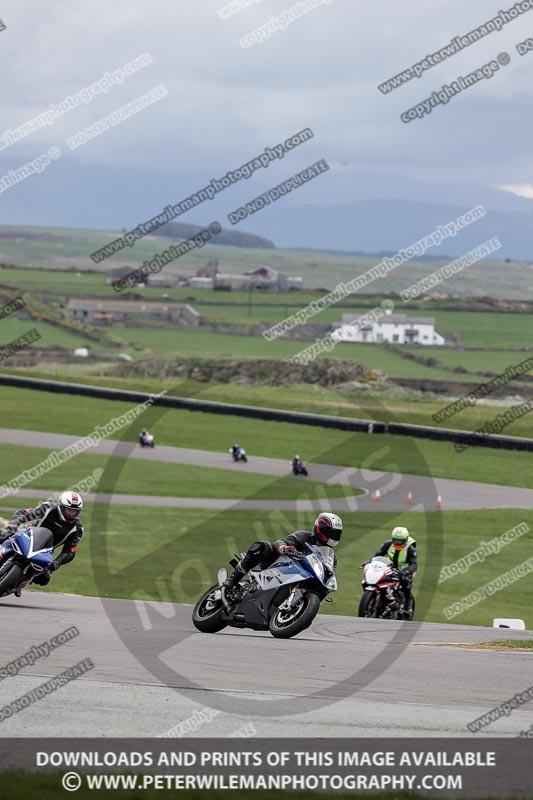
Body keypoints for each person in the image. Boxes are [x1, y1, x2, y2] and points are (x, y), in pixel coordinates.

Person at [224, 512, 343, 592]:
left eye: (335, 533)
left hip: (302, 578)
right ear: (320, 528)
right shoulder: (304, 536)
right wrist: (283, 547)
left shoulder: (332, 558)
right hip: (278, 566)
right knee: (264, 546)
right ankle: (233, 578)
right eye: (330, 532)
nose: (332, 536)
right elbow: (280, 542)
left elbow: (328, 574)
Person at [0, 491, 84, 595]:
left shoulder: (77, 528)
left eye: (74, 511)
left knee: (44, 578)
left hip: (45, 550)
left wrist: (57, 563)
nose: (71, 513)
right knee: (3, 535)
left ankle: (21, 582)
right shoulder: (47, 508)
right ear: (61, 506)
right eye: (69, 510)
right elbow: (23, 513)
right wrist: (13, 525)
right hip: (28, 535)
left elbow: (70, 552)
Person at [365, 526, 417, 617]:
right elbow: (378, 554)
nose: (398, 542)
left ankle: (409, 608)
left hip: (404, 572)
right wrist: (369, 561)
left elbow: (414, 564)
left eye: (400, 540)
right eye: (396, 540)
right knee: (378, 579)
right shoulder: (388, 545)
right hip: (389, 569)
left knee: (406, 586)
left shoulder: (410, 549)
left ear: (405, 540)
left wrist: (407, 571)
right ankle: (381, 600)